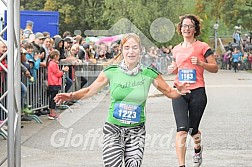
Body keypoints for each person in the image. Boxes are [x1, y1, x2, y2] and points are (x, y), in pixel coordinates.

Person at [54, 33, 190, 167]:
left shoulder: (149, 73)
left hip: (136, 131)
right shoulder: (111, 71)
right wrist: (71, 96)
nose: (131, 51)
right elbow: (90, 90)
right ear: (122, 50)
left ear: (140, 50)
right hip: (113, 129)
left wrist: (179, 91)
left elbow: (169, 92)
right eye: (127, 48)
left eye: (135, 48)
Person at [168, 14, 218, 167]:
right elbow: (177, 69)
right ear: (180, 29)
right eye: (184, 26)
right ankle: (181, 165)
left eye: (190, 26)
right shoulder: (176, 49)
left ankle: (197, 148)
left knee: (192, 130)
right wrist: (173, 69)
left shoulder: (203, 47)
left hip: (197, 92)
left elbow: (215, 68)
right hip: (179, 91)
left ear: (195, 29)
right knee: (181, 130)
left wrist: (201, 63)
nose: (187, 29)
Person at [46, 50, 69, 120]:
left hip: (53, 82)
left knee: (53, 98)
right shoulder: (53, 64)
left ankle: (52, 112)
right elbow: (57, 74)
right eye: (58, 56)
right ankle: (52, 112)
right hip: (54, 83)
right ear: (55, 56)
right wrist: (63, 71)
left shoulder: (51, 63)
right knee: (53, 98)